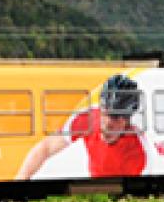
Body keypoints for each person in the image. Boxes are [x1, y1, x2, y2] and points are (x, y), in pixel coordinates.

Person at [16, 74, 147, 179]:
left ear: (127, 120)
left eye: (115, 117)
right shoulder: (86, 119)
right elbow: (45, 148)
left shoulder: (137, 151)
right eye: (104, 112)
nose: (107, 123)